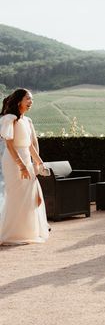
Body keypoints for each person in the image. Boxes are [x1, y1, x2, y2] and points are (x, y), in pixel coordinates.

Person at [0, 89, 49, 245]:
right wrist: (21, 165)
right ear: (19, 100)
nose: (30, 102)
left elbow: (30, 146)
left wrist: (39, 163)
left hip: (27, 159)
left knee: (32, 197)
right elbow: (9, 145)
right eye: (28, 98)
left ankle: (25, 232)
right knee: (17, 196)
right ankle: (10, 233)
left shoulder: (26, 121)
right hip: (14, 161)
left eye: (32, 99)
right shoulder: (9, 118)